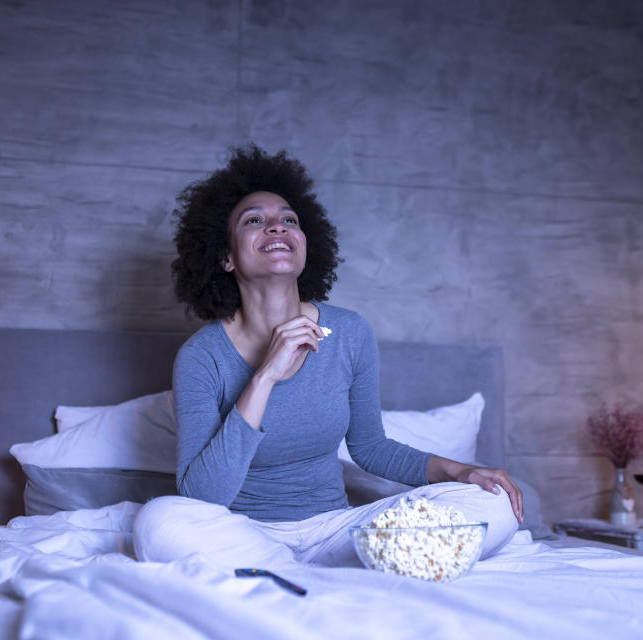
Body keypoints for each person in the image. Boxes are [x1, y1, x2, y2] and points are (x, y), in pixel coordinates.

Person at [133, 144, 522, 570]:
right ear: (225, 257)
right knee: (158, 523)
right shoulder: (201, 356)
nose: (276, 227)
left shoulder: (349, 332)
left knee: (493, 502)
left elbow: (370, 448)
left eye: (288, 220)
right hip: (244, 533)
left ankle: (357, 554)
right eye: (254, 221)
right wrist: (264, 376)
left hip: (336, 531)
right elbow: (203, 498)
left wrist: (462, 473)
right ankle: (313, 564)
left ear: (305, 244)